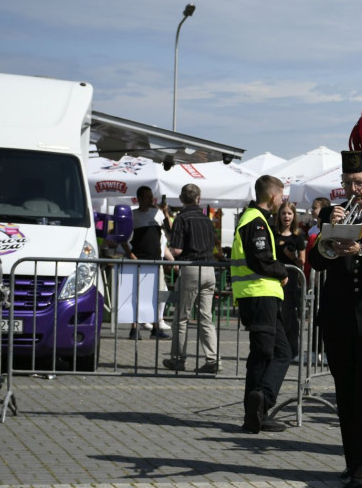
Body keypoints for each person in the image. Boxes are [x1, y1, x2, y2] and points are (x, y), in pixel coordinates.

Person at [308, 108, 362, 488]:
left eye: (360, 182)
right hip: (338, 314)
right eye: (348, 182)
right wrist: (328, 232)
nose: (354, 188)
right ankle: (350, 460)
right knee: (345, 392)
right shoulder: (332, 211)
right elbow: (314, 261)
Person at [231, 175, 290, 434]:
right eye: (281, 195)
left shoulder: (257, 219)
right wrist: (282, 271)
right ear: (272, 196)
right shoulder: (255, 221)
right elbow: (261, 259)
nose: (282, 201)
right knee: (263, 353)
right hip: (258, 294)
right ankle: (256, 410)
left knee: (281, 352)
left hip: (261, 294)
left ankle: (259, 404)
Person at [164, 184, 220, 374]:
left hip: (191, 269)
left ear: (181, 199)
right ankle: (213, 359)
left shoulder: (182, 218)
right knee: (206, 317)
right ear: (199, 198)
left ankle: (178, 359)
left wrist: (171, 252)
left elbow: (178, 250)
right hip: (210, 270)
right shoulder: (206, 219)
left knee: (181, 317)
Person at [121, 185, 172, 339]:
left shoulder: (157, 213)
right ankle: (134, 329)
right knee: (137, 295)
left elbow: (170, 231)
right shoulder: (132, 215)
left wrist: (164, 212)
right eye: (148, 197)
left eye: (152, 196)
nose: (151, 199)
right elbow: (122, 237)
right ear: (140, 199)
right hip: (139, 260)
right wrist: (130, 254)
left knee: (157, 295)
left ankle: (156, 327)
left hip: (156, 260)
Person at [274, 201, 307, 358]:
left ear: (294, 216)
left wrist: (290, 256)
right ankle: (278, 348)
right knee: (274, 313)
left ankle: (293, 349)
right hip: (274, 279)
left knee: (289, 314)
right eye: (283, 213)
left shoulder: (297, 236)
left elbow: (302, 261)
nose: (286, 216)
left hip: (291, 279)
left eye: (289, 213)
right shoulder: (273, 233)